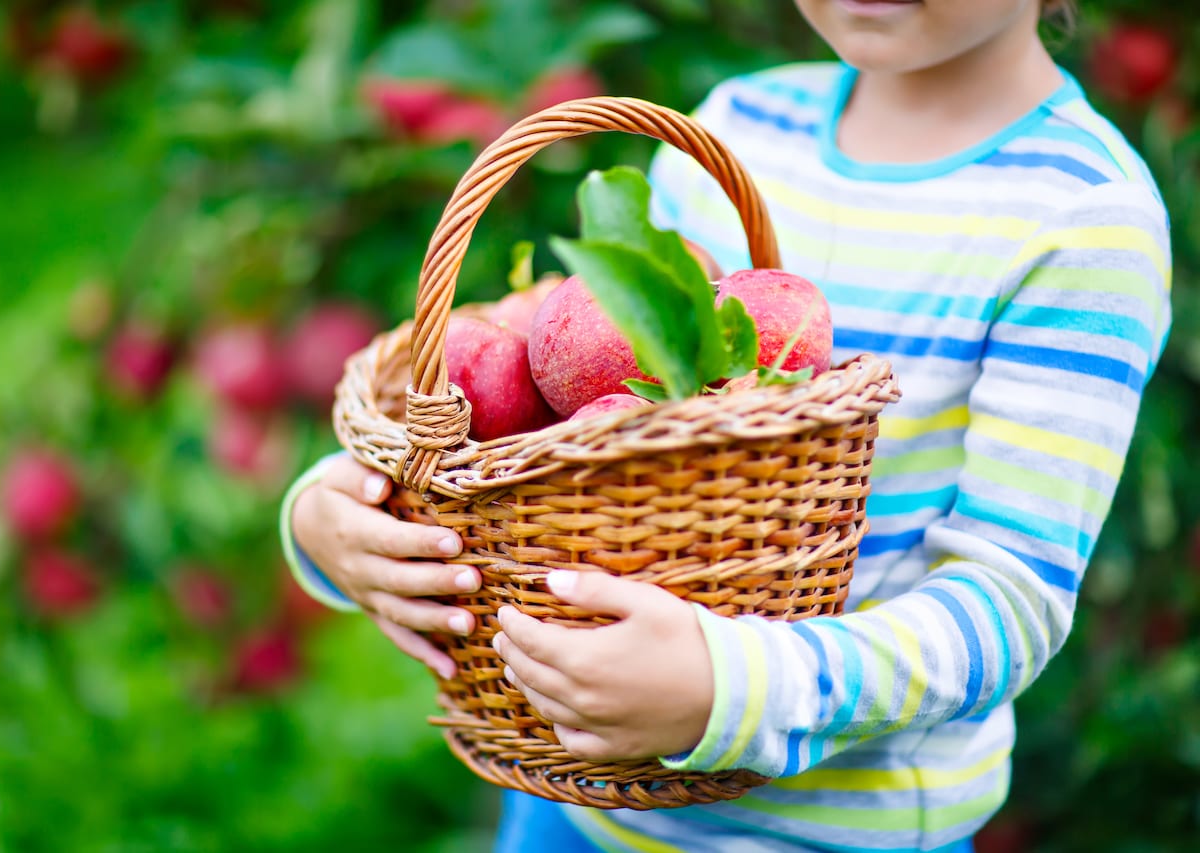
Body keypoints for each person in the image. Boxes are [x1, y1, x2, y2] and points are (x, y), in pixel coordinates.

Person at [281, 0, 1172, 849]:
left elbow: (1008, 601)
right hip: (578, 810)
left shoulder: (1082, 217)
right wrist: (345, 509)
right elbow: (576, 441)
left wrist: (733, 689)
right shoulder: (736, 128)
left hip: (837, 839)